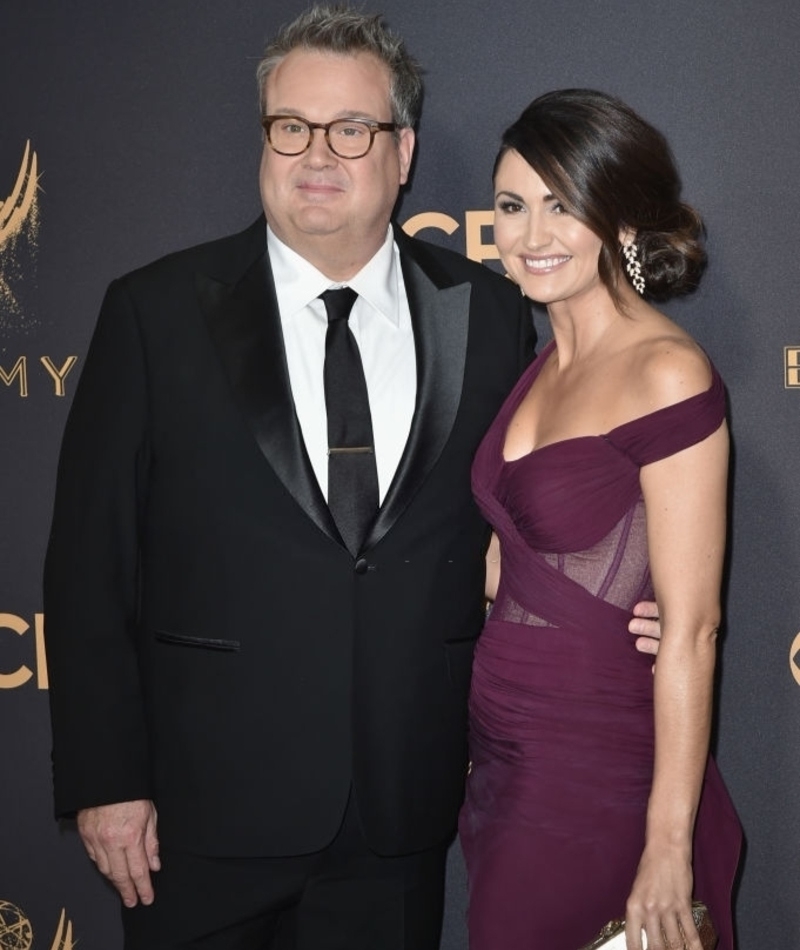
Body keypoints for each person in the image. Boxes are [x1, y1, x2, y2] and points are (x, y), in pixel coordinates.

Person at [43, 9, 661, 949]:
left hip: (398, 815)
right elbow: (89, 566)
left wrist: (625, 602)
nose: (315, 154)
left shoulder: (489, 314)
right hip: (198, 819)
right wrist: (104, 780)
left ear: (403, 151)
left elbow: (526, 509)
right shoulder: (154, 312)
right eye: (289, 126)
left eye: (351, 129)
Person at [458, 88, 742, 950]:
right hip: (505, 757)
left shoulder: (667, 373)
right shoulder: (538, 362)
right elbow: (516, 566)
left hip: (596, 764)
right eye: (512, 206)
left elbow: (691, 631)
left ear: (620, 220)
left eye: (562, 204)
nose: (531, 234)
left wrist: (667, 847)